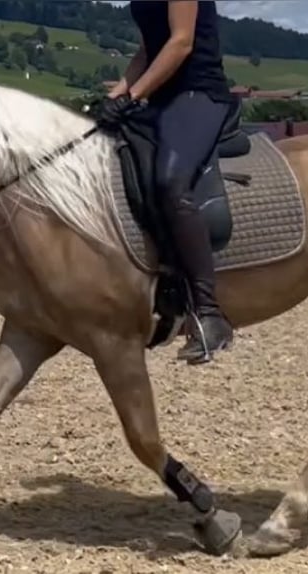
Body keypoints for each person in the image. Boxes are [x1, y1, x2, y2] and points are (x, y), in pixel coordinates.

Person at [98, 0, 236, 365]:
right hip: (161, 101)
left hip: (199, 95)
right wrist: (114, 97)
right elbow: (148, 50)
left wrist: (134, 94)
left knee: (169, 183)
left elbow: (180, 43)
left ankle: (209, 314)